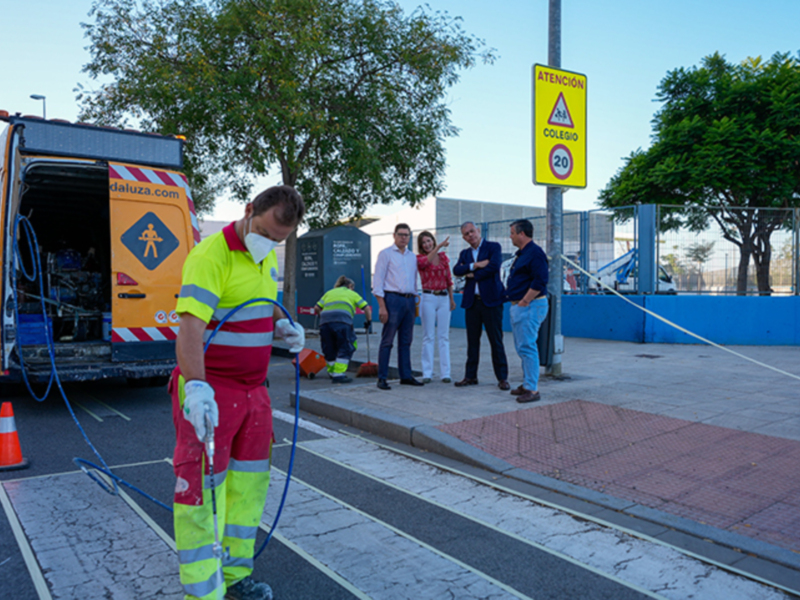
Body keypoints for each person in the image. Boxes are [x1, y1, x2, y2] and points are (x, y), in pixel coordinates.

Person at [171, 185, 306, 600]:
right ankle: (204, 591)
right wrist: (195, 387)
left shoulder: (265, 260)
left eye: (280, 240)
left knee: (247, 488)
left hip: (253, 394)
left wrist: (279, 330)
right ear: (249, 211)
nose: (271, 243)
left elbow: (256, 311)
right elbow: (191, 326)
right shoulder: (212, 255)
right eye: (266, 232)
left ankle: (234, 575)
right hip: (213, 391)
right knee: (204, 490)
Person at [452, 221, 510, 390]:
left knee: (496, 341)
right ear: (463, 237)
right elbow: (456, 270)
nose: (471, 235)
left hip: (491, 301)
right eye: (466, 234)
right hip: (472, 303)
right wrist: (475, 265)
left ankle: (502, 378)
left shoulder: (493, 247)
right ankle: (470, 376)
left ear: (478, 230)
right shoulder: (464, 253)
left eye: (472, 231)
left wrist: (471, 274)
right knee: (472, 342)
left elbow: (493, 267)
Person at [372, 223, 424, 390]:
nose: (404, 238)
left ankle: (406, 376)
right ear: (394, 235)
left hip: (409, 300)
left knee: (406, 340)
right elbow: (378, 282)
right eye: (401, 234)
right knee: (387, 340)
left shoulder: (412, 257)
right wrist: (382, 306)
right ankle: (382, 378)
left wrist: (416, 299)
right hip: (392, 299)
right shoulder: (386, 254)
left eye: (407, 235)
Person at [506, 219, 549, 404]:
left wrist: (524, 301)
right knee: (522, 347)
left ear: (521, 234)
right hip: (522, 305)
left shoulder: (535, 253)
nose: (511, 236)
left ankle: (532, 389)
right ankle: (527, 383)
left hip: (530, 306)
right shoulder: (523, 253)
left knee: (528, 347)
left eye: (512, 233)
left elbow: (540, 281)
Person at [314, 275, 372, 384]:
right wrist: (368, 321)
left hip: (325, 323)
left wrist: (323, 317)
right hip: (342, 322)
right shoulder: (352, 293)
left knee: (329, 347)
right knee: (347, 346)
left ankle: (332, 372)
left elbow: (317, 308)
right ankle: (338, 374)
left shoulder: (330, 292)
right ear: (350, 286)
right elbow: (366, 308)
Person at [416, 231, 455, 383]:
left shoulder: (444, 257)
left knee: (444, 336)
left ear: (432, 240)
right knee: (428, 336)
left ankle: (446, 373)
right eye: (424, 243)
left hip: (444, 297)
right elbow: (425, 263)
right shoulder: (420, 258)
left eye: (429, 241)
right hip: (428, 297)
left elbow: (449, 279)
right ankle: (427, 372)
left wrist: (452, 299)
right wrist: (438, 246)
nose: (427, 244)